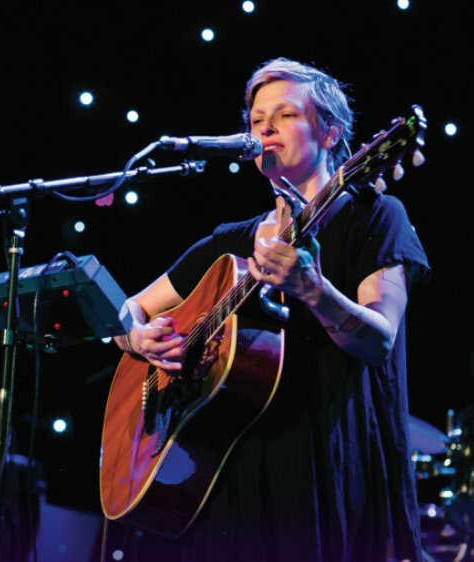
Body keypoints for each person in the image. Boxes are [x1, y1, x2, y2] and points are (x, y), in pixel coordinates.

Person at [114, 58, 429, 561]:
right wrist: (135, 338)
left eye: (284, 115)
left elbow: (380, 339)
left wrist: (313, 289)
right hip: (227, 473)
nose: (264, 127)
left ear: (331, 134)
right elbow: (127, 309)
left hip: (322, 468)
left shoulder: (376, 216)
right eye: (257, 119)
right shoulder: (229, 241)